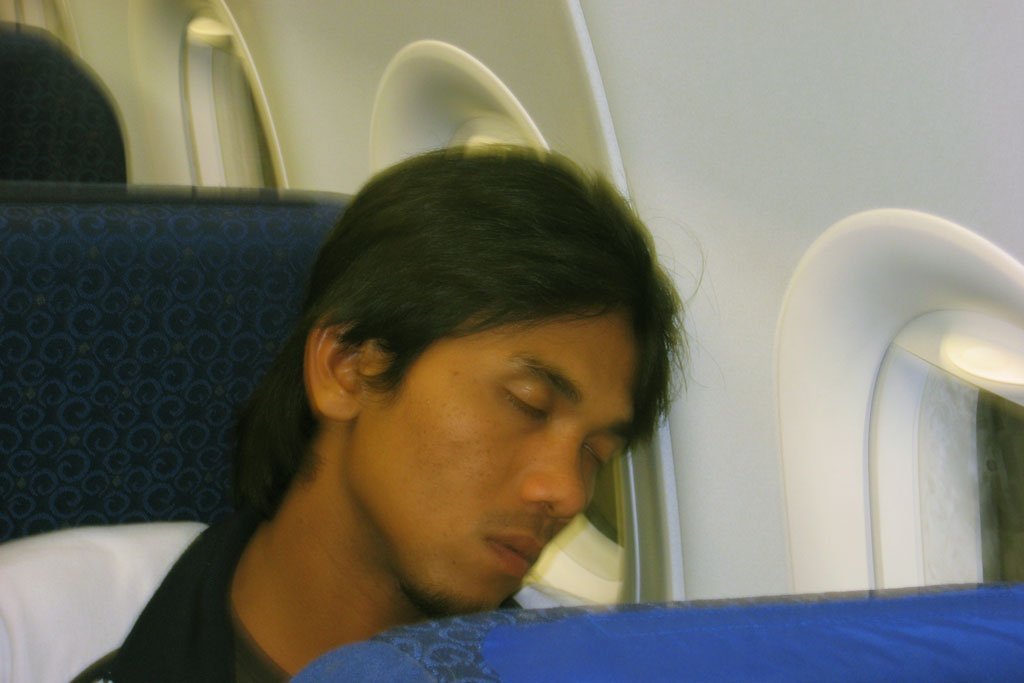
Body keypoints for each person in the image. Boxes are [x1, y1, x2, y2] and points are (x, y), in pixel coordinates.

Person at [74, 145, 684, 682]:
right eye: (527, 404)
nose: (569, 492)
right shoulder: (54, 627)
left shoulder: (586, 665)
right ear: (346, 368)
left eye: (596, 452)